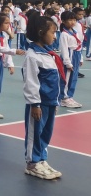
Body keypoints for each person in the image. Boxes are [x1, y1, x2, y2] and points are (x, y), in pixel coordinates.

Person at [22, 16, 63, 179]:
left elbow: (54, 80)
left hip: (50, 102)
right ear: (41, 33)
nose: (55, 36)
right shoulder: (33, 56)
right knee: (35, 133)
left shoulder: (47, 53)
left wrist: (56, 101)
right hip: (39, 103)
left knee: (46, 132)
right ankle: (32, 163)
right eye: (52, 32)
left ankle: (41, 159)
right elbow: (31, 82)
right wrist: (35, 104)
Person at [58, 10, 83, 108]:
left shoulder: (74, 32)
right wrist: (67, 62)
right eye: (70, 20)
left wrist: (80, 58)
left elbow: (79, 45)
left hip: (76, 55)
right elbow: (64, 49)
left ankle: (69, 96)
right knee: (66, 78)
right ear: (63, 21)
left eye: (74, 20)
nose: (73, 22)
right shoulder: (64, 34)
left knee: (74, 78)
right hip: (69, 55)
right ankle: (63, 98)